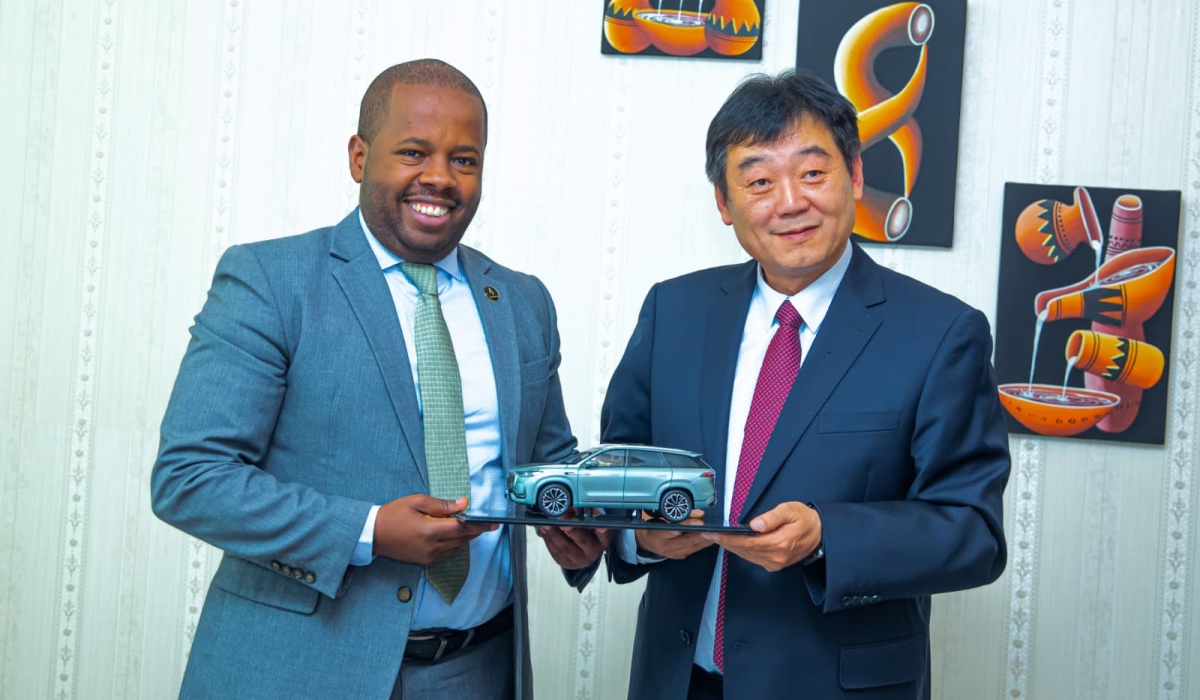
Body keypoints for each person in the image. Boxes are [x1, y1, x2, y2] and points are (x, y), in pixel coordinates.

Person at [151, 58, 606, 700]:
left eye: (465, 159)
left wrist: (582, 536)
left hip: (478, 669)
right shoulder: (271, 282)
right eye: (414, 152)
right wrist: (366, 531)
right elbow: (190, 479)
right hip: (298, 670)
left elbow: (548, 466)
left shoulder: (524, 303)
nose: (440, 178)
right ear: (360, 156)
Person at [570, 70, 1011, 699]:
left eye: (812, 173)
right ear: (724, 204)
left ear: (855, 177)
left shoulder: (941, 333)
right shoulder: (675, 312)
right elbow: (622, 473)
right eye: (757, 181)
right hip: (677, 681)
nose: (789, 202)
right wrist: (638, 538)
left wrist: (828, 537)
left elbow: (972, 531)